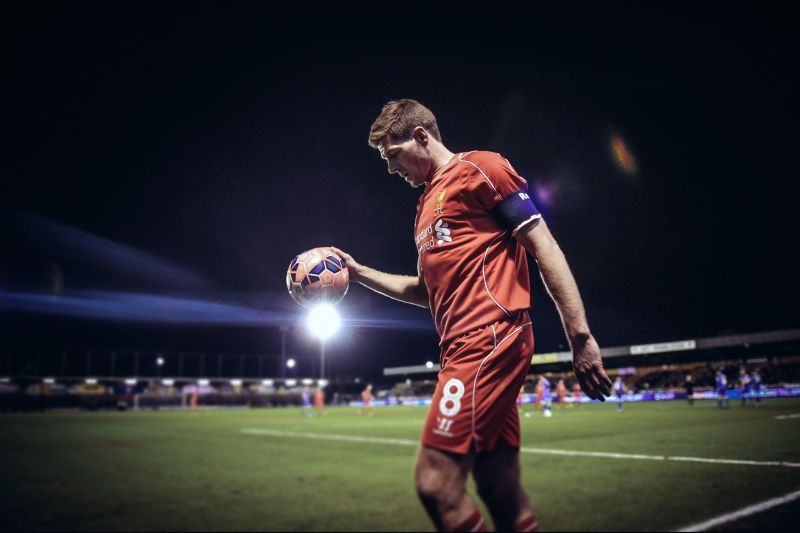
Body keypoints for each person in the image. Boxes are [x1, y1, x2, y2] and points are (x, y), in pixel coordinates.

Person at [332, 99, 612, 532]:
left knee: (435, 483)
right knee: (498, 484)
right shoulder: (425, 207)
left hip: (489, 339)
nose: (391, 169)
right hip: (462, 347)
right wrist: (358, 274)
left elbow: (545, 247)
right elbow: (426, 292)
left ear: (422, 136)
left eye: (393, 155)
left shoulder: (483, 168)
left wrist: (580, 336)